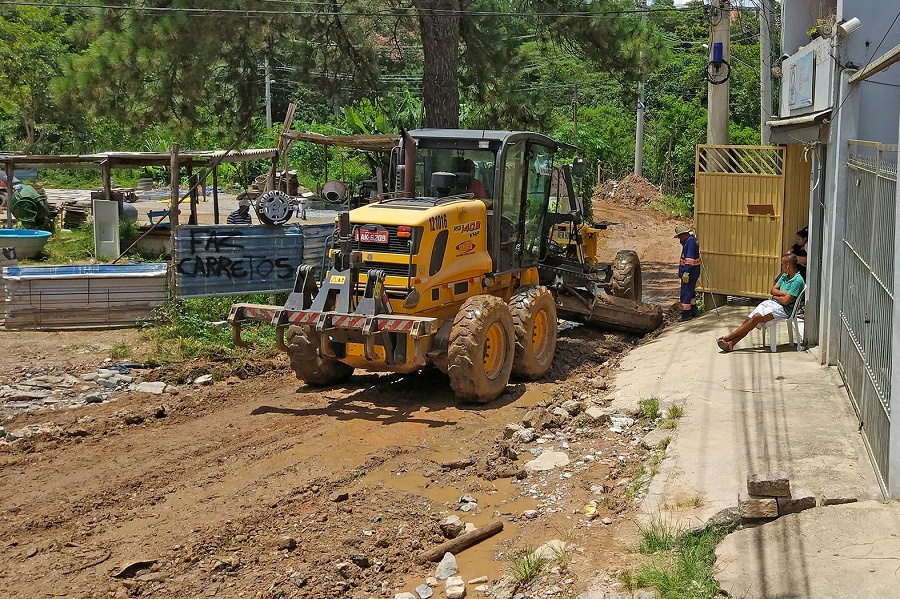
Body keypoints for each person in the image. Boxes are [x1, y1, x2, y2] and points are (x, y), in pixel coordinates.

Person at [717, 253, 805, 352]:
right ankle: (731, 343)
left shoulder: (797, 281)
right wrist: (782, 294)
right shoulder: (785, 275)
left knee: (757, 318)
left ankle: (728, 337)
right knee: (750, 319)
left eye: (782, 264)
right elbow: (773, 290)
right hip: (772, 304)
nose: (781, 266)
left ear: (788, 265)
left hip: (783, 313)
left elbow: (785, 301)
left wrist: (776, 296)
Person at [675, 225, 701, 321]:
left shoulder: (690, 242)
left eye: (680, 237)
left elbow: (689, 259)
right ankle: (694, 311)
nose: (679, 239)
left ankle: (686, 314)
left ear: (684, 234)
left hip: (689, 273)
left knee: (685, 293)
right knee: (691, 293)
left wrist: (686, 272)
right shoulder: (691, 240)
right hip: (693, 272)